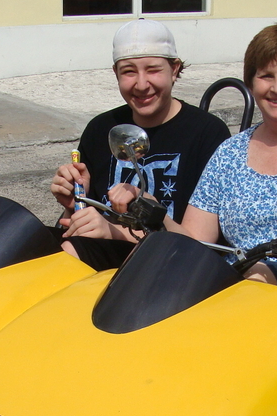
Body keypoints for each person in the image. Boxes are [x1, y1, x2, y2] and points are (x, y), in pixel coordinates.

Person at [114, 23, 277, 363]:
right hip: (246, 297)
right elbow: (195, 244)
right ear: (251, 83)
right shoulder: (229, 153)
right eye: (265, 76)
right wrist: (156, 214)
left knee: (254, 287)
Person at [50, 19, 231, 270]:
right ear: (116, 73)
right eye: (129, 71)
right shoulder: (101, 129)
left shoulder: (206, 133)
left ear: (175, 69)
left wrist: (115, 229)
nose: (142, 84)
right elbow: (78, 225)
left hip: (170, 267)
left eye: (153, 70)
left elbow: (199, 245)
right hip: (102, 259)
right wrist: (74, 202)